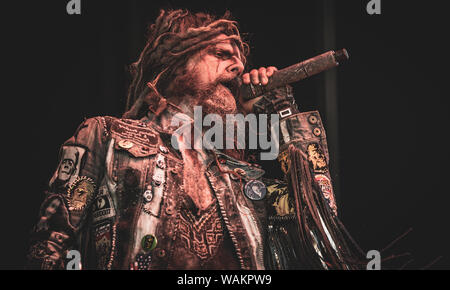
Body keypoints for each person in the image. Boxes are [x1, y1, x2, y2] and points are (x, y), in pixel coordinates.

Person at [26, 9, 364, 270]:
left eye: (240, 58)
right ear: (176, 65)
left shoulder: (241, 173)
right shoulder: (107, 136)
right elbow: (49, 249)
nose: (238, 66)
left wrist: (284, 112)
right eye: (221, 54)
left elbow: (322, 227)